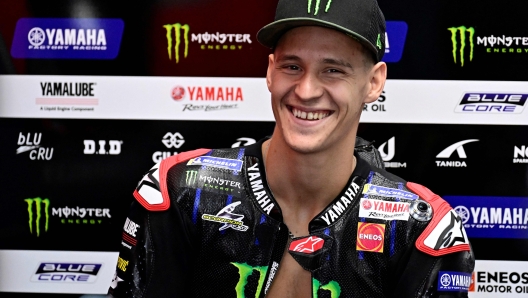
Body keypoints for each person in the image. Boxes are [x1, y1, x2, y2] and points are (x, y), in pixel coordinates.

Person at [108, 0, 475, 297]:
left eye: (333, 70)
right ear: (270, 71)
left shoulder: (420, 228)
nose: (306, 90)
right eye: (293, 66)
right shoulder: (181, 191)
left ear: (374, 82)